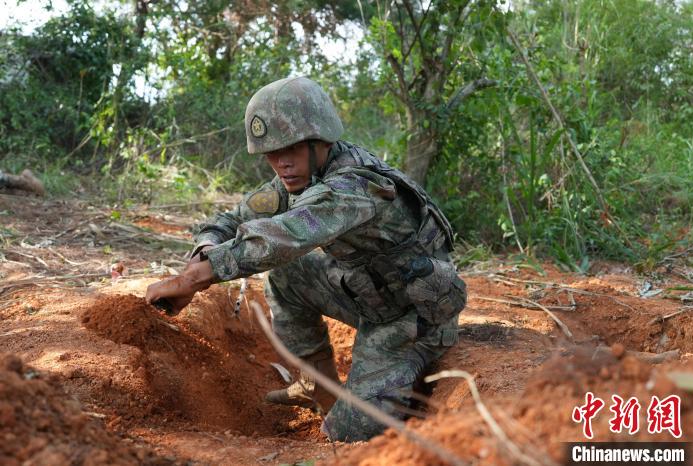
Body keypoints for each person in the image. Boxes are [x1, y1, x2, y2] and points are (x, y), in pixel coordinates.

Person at [145, 76, 467, 442]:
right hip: (367, 292)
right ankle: (320, 388)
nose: (282, 163)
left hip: (410, 319)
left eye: (292, 149)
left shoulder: (352, 187)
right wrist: (201, 254)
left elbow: (281, 238)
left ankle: (365, 398)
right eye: (272, 153)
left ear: (320, 141)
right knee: (287, 276)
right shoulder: (306, 173)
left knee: (344, 435)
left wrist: (193, 280)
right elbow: (231, 221)